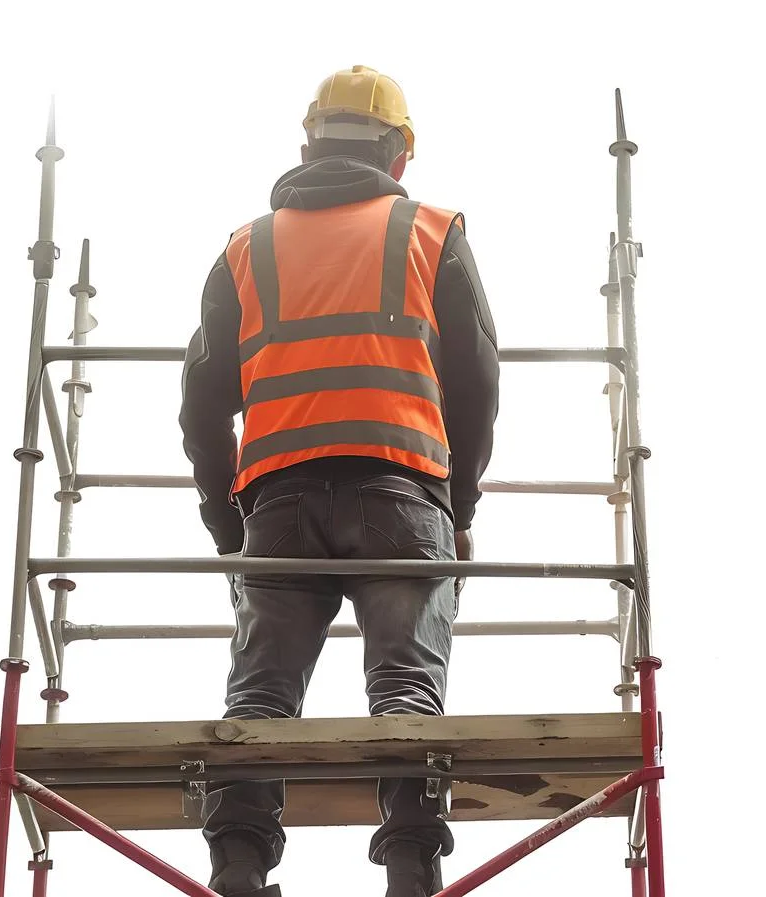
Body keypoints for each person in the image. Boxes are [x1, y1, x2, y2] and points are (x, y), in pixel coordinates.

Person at [178, 65, 500, 897]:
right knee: (404, 686)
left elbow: (201, 402)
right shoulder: (429, 229)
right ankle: (410, 866)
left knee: (261, 691)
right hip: (402, 491)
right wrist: (457, 504)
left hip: (279, 501)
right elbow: (475, 380)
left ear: (306, 146)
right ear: (399, 157)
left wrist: (227, 524)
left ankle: (240, 864)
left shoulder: (247, 248)